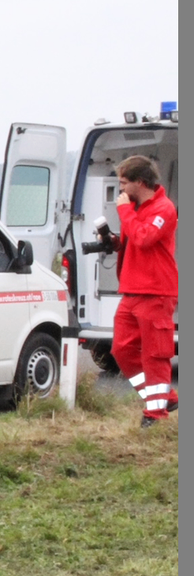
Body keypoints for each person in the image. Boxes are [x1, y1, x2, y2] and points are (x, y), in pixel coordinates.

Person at [106, 155, 178, 428]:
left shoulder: (164, 208)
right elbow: (133, 241)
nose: (121, 189)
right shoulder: (135, 208)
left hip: (156, 292)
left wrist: (125, 213)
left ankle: (155, 413)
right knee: (121, 349)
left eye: (124, 183)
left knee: (155, 354)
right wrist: (112, 241)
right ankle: (162, 397)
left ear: (140, 181)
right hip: (132, 290)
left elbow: (145, 238)